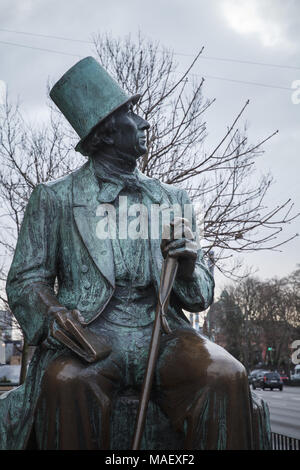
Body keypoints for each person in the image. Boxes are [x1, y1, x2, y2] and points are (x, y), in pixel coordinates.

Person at [0, 57, 270, 450]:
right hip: (92, 336)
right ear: (106, 132)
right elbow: (26, 279)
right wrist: (55, 316)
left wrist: (190, 266)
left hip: (164, 335)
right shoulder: (55, 198)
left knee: (226, 374)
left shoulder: (173, 199)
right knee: (68, 383)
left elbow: (200, 295)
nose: (144, 123)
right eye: (132, 114)